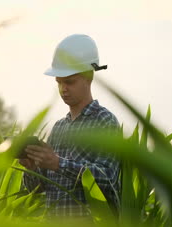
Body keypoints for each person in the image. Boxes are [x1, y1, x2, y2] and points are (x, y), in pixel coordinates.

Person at [20, 34, 120, 217]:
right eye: (59, 82)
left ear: (89, 77)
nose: (63, 88)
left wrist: (58, 164)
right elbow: (36, 190)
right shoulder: (58, 128)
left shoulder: (104, 121)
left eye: (69, 82)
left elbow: (107, 180)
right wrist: (32, 168)